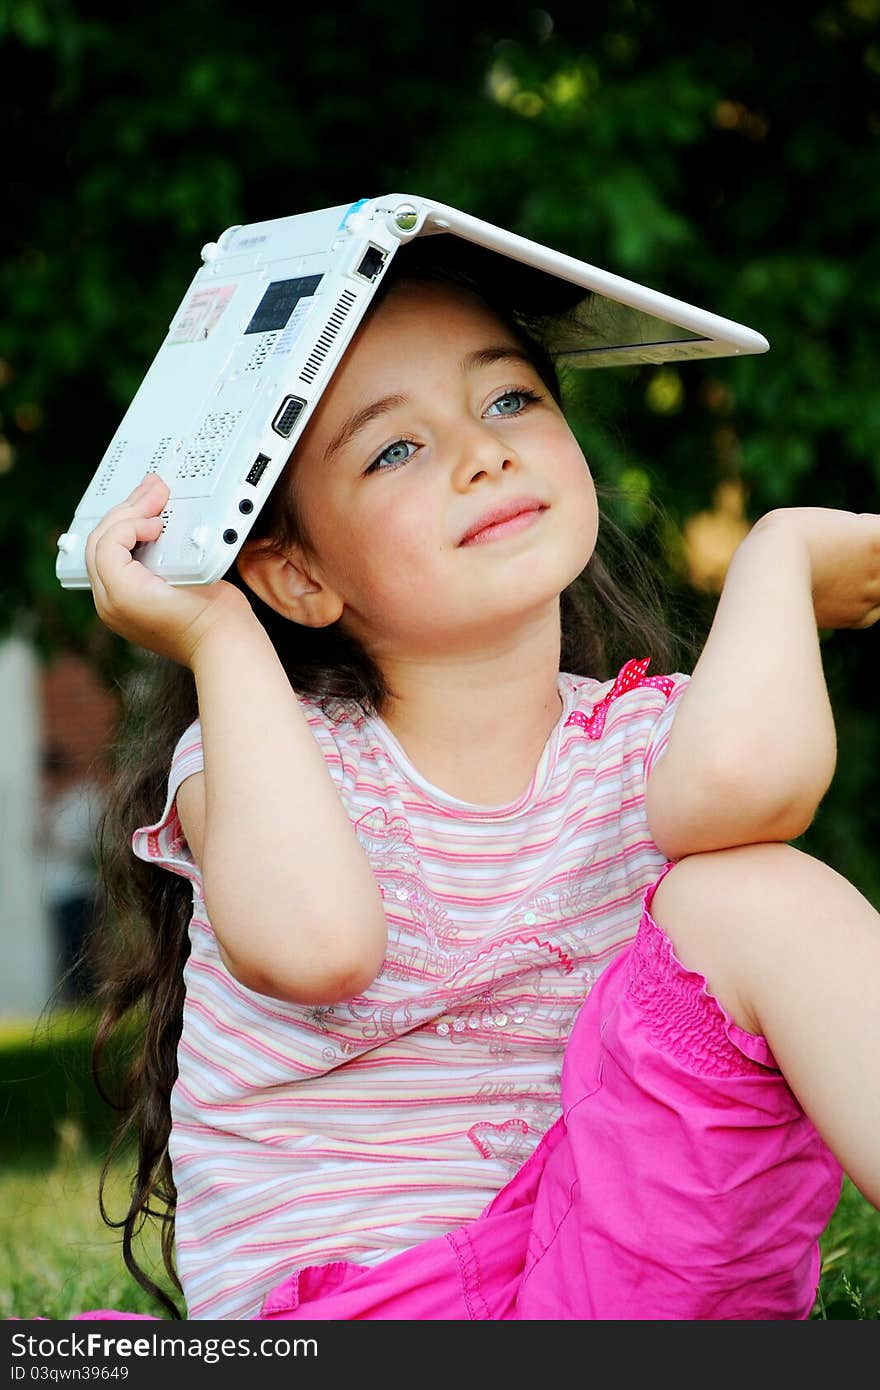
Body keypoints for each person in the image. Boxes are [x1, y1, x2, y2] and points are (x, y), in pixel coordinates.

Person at [75, 236, 879, 1322]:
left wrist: (775, 556)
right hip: (366, 1313)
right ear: (299, 572)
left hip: (608, 1267)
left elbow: (744, 795)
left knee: (746, 889)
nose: (480, 452)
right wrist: (218, 637)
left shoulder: (650, 740)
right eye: (393, 451)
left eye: (506, 400)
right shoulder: (271, 753)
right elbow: (315, 945)